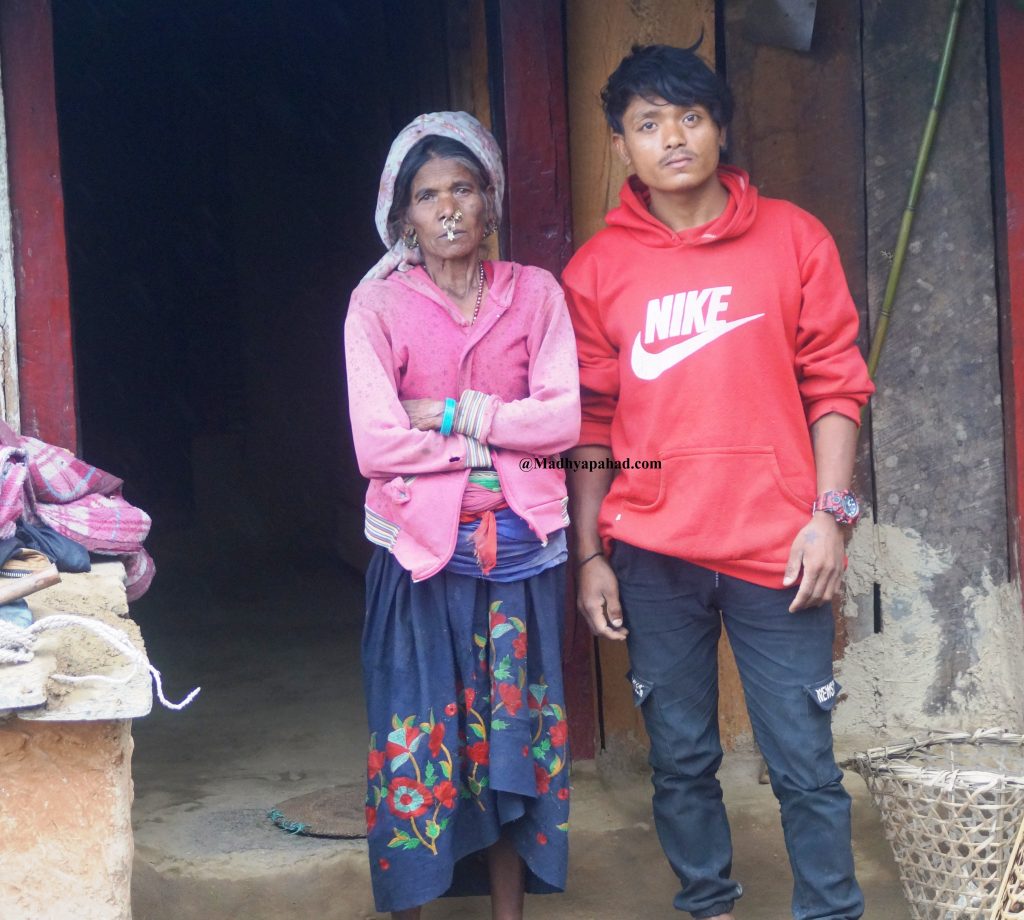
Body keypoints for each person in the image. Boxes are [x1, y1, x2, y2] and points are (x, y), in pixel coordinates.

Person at [562, 45, 873, 920]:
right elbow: (589, 423)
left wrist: (830, 517)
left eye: (690, 118)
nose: (673, 139)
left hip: (781, 549)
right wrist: (590, 554)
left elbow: (836, 384)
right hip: (652, 554)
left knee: (804, 763)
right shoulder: (597, 270)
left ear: (720, 128)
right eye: (648, 124)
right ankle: (708, 905)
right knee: (681, 759)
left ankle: (830, 912)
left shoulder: (794, 238)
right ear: (621, 145)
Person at [345, 111, 579, 920]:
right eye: (427, 195)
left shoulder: (535, 293)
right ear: (402, 216)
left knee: (512, 744)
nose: (448, 208)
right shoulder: (376, 306)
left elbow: (562, 421)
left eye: (464, 189)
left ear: (491, 202)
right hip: (419, 556)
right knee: (417, 741)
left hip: (520, 553)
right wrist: (503, 440)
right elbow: (377, 444)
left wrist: (452, 416)